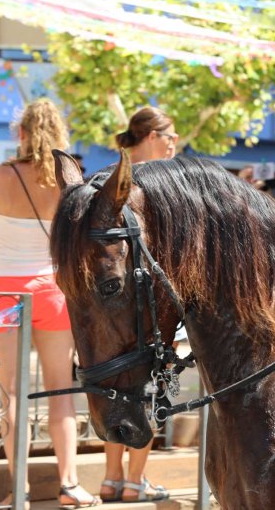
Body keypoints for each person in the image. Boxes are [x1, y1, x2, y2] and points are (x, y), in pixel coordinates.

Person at [0, 98, 100, 507]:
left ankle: (18, 490)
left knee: (12, 396)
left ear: (19, 133)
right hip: (51, 290)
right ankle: (70, 485)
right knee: (60, 390)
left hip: (2, 293)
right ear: (58, 135)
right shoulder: (68, 179)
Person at [98, 106, 173, 503]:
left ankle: (111, 478)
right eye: (170, 136)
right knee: (151, 391)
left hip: (112, 307)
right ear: (151, 135)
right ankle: (134, 482)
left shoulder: (109, 178)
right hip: (153, 305)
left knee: (114, 389)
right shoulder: (162, 182)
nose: (174, 145)